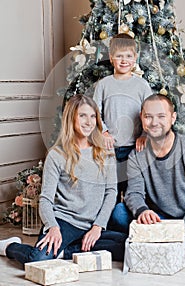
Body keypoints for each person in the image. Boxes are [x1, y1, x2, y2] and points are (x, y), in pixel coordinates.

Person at [0, 95, 127, 265]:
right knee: (39, 259)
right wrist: (53, 227)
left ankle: (65, 252)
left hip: (92, 225)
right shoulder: (57, 155)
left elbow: (111, 192)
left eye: (92, 116)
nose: (89, 122)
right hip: (64, 222)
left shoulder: (106, 153)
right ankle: (9, 246)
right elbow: (45, 198)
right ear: (71, 118)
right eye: (82, 116)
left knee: (126, 245)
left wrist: (98, 226)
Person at [109, 94, 185, 264]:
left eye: (161, 116)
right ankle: (184, 248)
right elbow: (134, 193)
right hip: (161, 219)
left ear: (173, 118)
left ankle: (161, 247)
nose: (154, 122)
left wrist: (182, 230)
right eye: (148, 117)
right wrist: (142, 211)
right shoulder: (137, 156)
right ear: (142, 119)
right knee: (119, 213)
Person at [93, 33, 152, 202]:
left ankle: (131, 222)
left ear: (135, 58)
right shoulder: (104, 84)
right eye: (119, 56)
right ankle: (110, 223)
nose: (124, 60)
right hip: (110, 148)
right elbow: (95, 112)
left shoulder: (142, 85)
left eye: (128, 56)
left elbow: (149, 113)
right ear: (111, 58)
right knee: (111, 188)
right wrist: (103, 132)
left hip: (135, 148)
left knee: (132, 189)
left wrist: (144, 135)